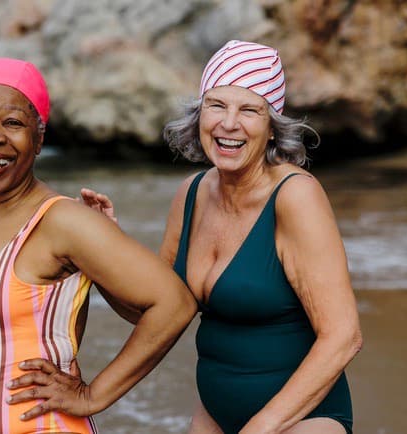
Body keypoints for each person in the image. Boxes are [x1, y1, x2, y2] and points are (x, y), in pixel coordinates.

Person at [0, 57, 197, 433]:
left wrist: (92, 395)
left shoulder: (62, 221)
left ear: (39, 139)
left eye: (13, 123)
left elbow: (173, 304)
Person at [77, 40, 362, 433]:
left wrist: (261, 428)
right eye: (216, 105)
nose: (229, 123)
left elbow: (343, 337)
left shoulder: (296, 196)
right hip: (215, 416)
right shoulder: (191, 194)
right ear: (199, 115)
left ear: (272, 127)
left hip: (301, 421)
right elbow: (157, 315)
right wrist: (105, 247)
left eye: (249, 110)